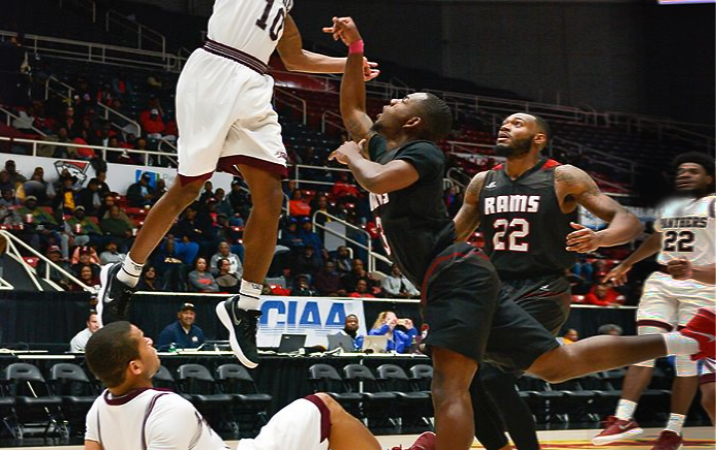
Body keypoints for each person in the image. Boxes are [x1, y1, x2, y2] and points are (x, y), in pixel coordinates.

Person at [324, 16, 714, 450]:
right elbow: (354, 113)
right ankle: (683, 340)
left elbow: (375, 180)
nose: (389, 102)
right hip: (475, 277)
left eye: (401, 101)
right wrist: (354, 50)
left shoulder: (431, 154)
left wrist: (602, 238)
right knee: (553, 364)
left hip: (526, 282)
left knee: (456, 382)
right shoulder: (474, 178)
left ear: (539, 138)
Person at [96, 2, 380, 371]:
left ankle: (245, 305)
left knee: (272, 195)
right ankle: (126, 274)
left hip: (255, 85)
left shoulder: (283, 13)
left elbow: (293, 58)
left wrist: (352, 61)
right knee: (188, 188)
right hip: (215, 72)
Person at [451, 106, 643, 449]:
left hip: (544, 287)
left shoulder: (562, 176)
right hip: (498, 288)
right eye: (504, 122)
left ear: (538, 139)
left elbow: (628, 221)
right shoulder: (483, 182)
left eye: (517, 123)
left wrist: (599, 237)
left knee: (493, 374)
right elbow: (453, 235)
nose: (505, 127)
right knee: (464, 378)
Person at [83, 321, 434, 450]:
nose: (152, 344)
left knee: (319, 422)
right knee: (323, 404)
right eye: (145, 341)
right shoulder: (164, 407)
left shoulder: (99, 407)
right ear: (135, 366)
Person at [592, 152, 715, 449]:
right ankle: (624, 418)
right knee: (644, 346)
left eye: (693, 171)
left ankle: (673, 431)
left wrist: (694, 270)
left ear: (710, 177)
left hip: (700, 285)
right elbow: (657, 240)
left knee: (685, 360)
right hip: (662, 280)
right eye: (680, 171)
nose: (683, 174)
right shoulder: (672, 206)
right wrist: (626, 263)